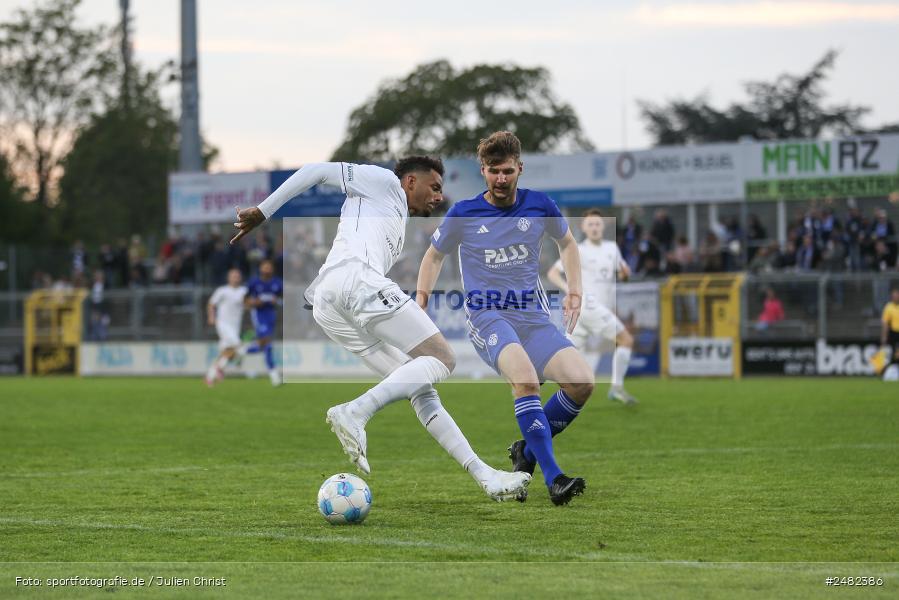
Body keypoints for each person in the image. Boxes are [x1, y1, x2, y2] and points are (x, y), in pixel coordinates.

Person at [231, 156, 530, 502]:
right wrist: (264, 211)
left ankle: (485, 476)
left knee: (420, 387)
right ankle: (354, 411)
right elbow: (315, 172)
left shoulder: (395, 225)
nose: (438, 197)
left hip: (330, 304)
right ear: (410, 182)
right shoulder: (384, 182)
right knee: (443, 359)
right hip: (355, 282)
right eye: (434, 187)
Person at [417, 131, 592, 506]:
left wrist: (575, 290)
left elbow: (568, 243)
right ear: (483, 171)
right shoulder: (463, 213)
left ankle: (525, 452)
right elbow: (433, 256)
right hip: (488, 316)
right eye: (493, 171)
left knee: (582, 383)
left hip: (533, 317)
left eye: (507, 171)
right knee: (526, 382)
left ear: (520, 169)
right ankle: (553, 477)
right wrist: (420, 301)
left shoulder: (540, 205)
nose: (500, 179)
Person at [547, 209, 638, 404]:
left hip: (592, 311)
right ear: (583, 227)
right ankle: (617, 388)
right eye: (590, 224)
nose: (595, 227)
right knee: (626, 340)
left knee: (565, 355)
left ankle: (534, 377)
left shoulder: (612, 248)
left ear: (603, 226)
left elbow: (622, 275)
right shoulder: (578, 249)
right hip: (588, 304)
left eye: (597, 224)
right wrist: (571, 291)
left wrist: (625, 274)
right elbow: (553, 273)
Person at [242, 259, 284, 386]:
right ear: (260, 269)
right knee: (267, 343)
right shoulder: (254, 282)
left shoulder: (277, 283)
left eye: (269, 267)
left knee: (265, 345)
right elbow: (245, 300)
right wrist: (254, 303)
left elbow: (283, 300)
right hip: (258, 315)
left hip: (271, 315)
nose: (267, 269)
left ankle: (241, 351)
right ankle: (274, 375)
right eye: (264, 267)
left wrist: (276, 301)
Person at [205, 268, 248, 386]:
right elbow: (211, 304)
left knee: (226, 352)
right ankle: (219, 369)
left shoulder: (244, 291)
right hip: (223, 324)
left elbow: (248, 304)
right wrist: (211, 316)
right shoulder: (222, 291)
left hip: (235, 326)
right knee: (238, 346)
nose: (236, 278)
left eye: (238, 276)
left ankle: (211, 375)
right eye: (233, 276)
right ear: (228, 278)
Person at [881, 287, 899, 369]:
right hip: (893, 333)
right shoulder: (888, 307)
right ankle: (891, 371)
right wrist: (884, 336)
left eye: (897, 295)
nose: (896, 297)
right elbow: (885, 323)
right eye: (894, 295)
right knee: (893, 353)